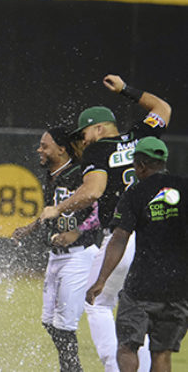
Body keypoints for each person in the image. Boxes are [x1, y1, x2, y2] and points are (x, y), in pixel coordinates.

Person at [40, 75, 171, 372]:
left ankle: (115, 369)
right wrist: (126, 90)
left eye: (84, 133)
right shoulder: (139, 137)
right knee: (141, 310)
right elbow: (163, 107)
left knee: (97, 302)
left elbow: (93, 191)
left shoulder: (98, 150)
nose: (82, 140)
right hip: (155, 240)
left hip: (123, 238)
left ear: (98, 128)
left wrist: (57, 208)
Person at [86, 137, 188, 372]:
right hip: (179, 287)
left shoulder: (135, 193)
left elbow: (120, 238)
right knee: (162, 353)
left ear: (141, 165)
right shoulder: (184, 186)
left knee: (127, 347)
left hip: (142, 286)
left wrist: (101, 280)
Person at [13, 127, 101, 371]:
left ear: (62, 149)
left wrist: (77, 232)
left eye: (45, 145)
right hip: (57, 256)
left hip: (79, 255)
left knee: (64, 325)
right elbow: (51, 211)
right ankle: (71, 368)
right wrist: (31, 228)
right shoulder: (52, 175)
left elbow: (97, 206)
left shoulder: (79, 173)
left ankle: (72, 370)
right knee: (49, 321)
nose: (40, 150)